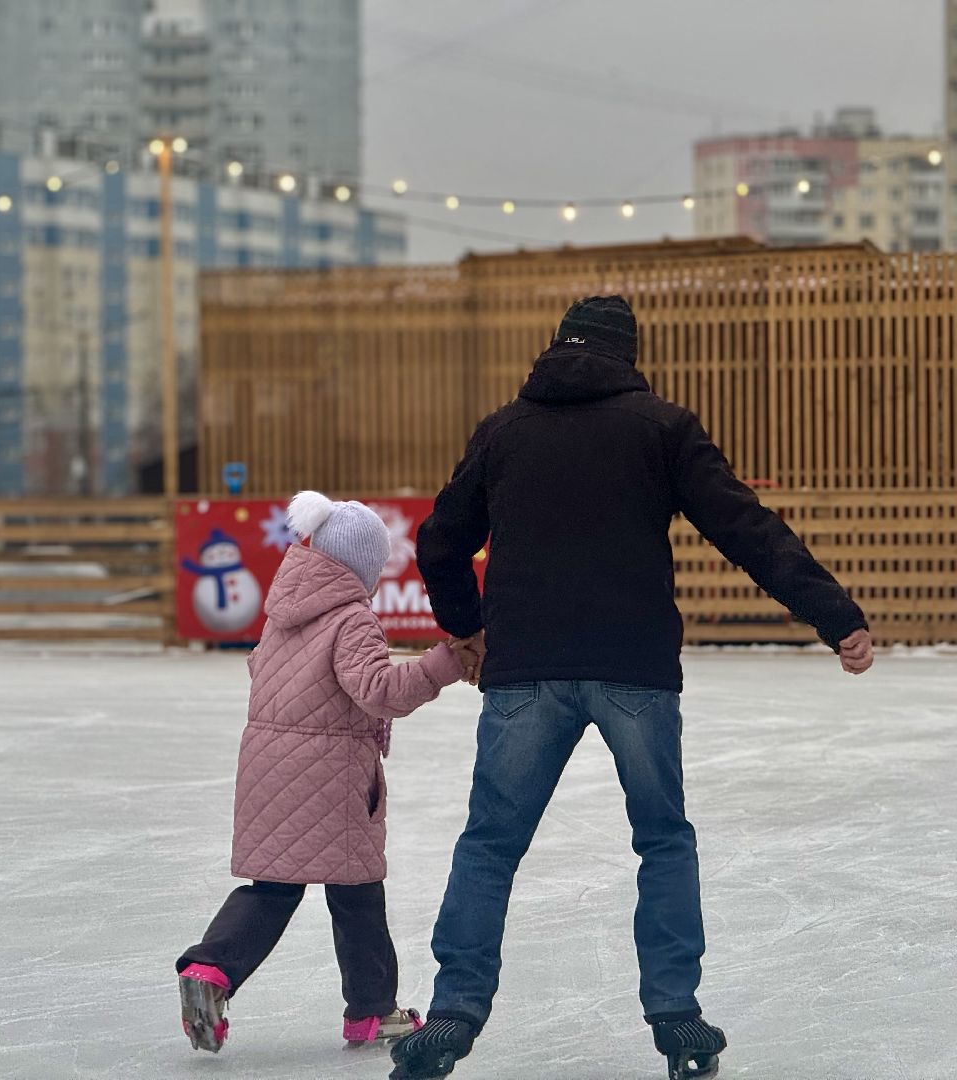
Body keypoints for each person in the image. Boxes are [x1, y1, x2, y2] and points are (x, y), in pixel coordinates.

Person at [390, 296, 874, 1080]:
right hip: (634, 670)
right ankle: (677, 1016)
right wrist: (834, 615)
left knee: (489, 845)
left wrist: (467, 625)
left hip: (526, 671)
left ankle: (452, 1013)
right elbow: (746, 528)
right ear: (628, 357)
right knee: (662, 839)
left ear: (555, 351)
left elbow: (440, 538)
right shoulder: (662, 428)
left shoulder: (505, 430)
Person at [175, 491, 479, 1055]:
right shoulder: (350, 618)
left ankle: (211, 968)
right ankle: (371, 1011)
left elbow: (266, 675)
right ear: (364, 567)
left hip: (266, 766)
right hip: (331, 775)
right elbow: (378, 691)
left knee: (271, 886)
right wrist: (446, 663)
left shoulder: (283, 612)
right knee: (358, 893)